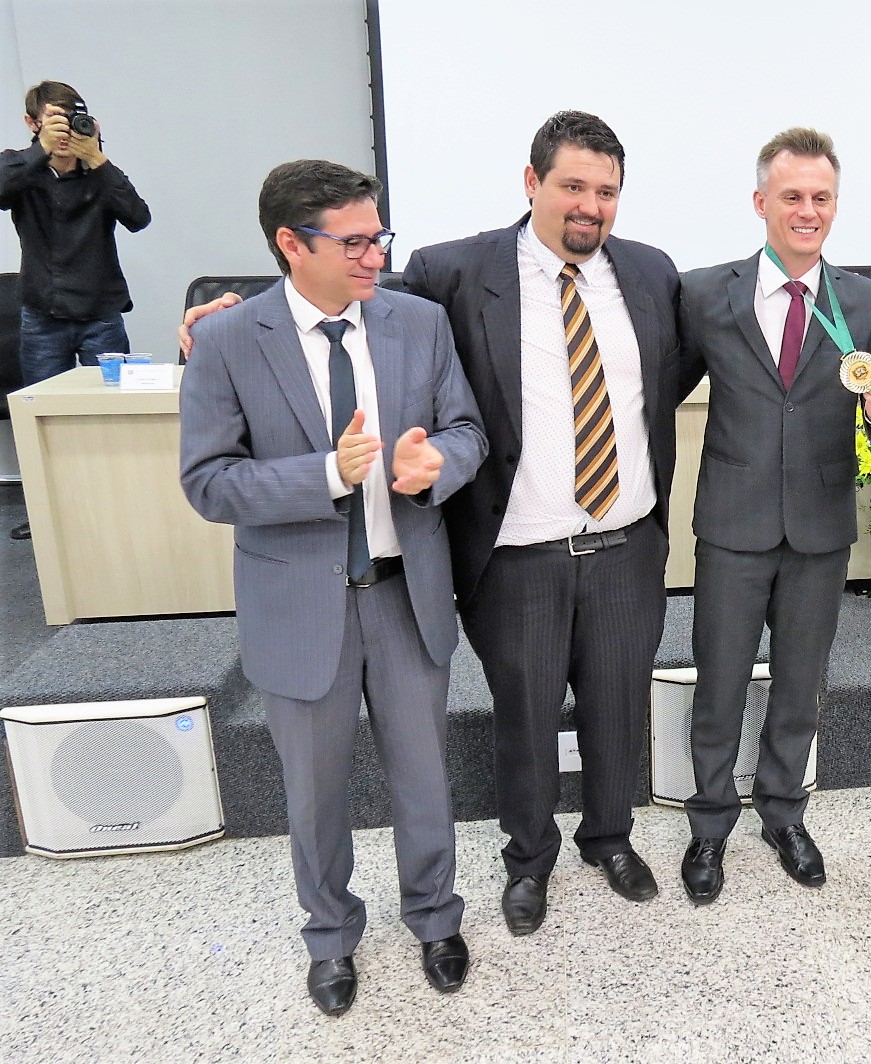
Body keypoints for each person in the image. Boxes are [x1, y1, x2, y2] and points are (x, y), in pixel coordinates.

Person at [184, 112, 683, 936]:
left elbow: (683, 365)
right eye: (572, 186)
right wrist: (216, 314)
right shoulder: (450, 271)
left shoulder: (652, 274)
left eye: (606, 191)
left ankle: (611, 838)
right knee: (522, 720)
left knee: (618, 708)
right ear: (532, 182)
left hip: (626, 543)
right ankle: (530, 862)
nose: (589, 205)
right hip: (517, 551)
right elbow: (331, 309)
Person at [179, 160, 488, 1016]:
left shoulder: (417, 324)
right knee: (313, 791)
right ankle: (331, 937)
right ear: (290, 244)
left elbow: (466, 429)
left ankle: (434, 917)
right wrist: (324, 475)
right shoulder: (229, 341)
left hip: (403, 591)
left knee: (424, 777)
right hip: (298, 603)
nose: (374, 254)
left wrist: (438, 469)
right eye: (354, 241)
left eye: (378, 234)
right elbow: (208, 482)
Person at [675, 128, 871, 904]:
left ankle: (783, 812)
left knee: (801, 684)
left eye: (820, 198)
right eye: (792, 197)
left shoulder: (866, 300)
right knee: (719, 682)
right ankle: (709, 825)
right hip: (732, 525)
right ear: (760, 203)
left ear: (834, 205)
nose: (806, 211)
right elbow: (658, 391)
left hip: (818, 528)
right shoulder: (709, 293)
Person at [2, 80, 150, 541]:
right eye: (55, 120)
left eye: (73, 119)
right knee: (42, 417)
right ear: (33, 123)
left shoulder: (98, 173)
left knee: (117, 415)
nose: (67, 131)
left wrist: (98, 158)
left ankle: (125, 501)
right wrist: (39, 153)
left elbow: (138, 217)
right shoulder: (19, 169)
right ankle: (48, 510)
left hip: (101, 313)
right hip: (42, 313)